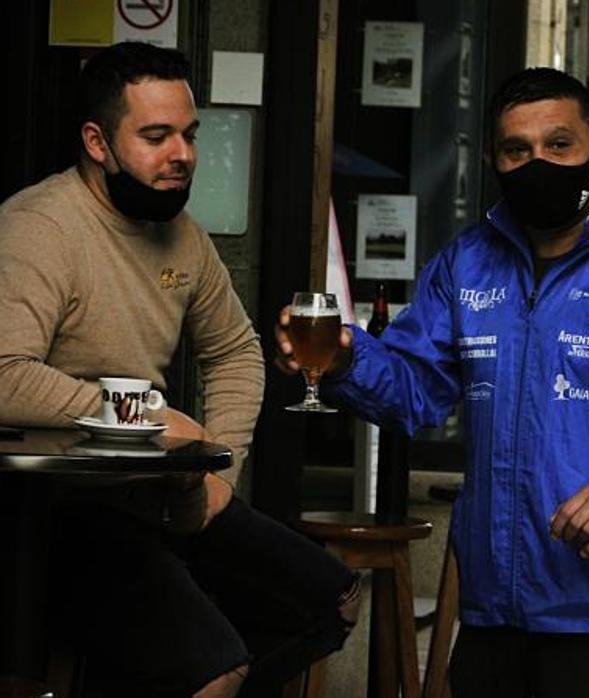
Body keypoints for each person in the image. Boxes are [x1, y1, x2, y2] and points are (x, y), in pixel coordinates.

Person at [275, 68, 589, 697]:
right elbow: (415, 389)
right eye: (517, 150)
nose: (538, 163)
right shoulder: (468, 261)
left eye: (559, 145)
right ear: (493, 159)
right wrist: (345, 361)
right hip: (491, 615)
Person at [0, 42, 356, 697]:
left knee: (327, 601)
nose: (183, 155)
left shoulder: (182, 236)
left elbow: (235, 351)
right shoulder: (40, 228)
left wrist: (223, 462)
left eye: (189, 135)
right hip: (56, 514)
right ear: (97, 142)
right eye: (157, 136)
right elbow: (5, 375)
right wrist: (154, 418)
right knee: (214, 667)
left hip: (158, 496)